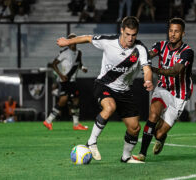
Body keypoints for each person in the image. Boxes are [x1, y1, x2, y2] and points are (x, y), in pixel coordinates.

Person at [56, 16, 154, 163]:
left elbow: (146, 68)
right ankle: (91, 142)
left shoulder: (140, 49)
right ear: (122, 31)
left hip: (125, 91)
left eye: (134, 35)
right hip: (104, 85)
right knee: (109, 107)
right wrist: (68, 41)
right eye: (127, 34)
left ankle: (126, 157)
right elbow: (88, 38)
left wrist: (148, 80)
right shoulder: (108, 41)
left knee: (134, 128)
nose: (130, 38)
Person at [133, 18, 194, 162]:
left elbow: (174, 71)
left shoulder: (187, 52)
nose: (172, 34)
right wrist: (135, 57)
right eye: (170, 31)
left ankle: (161, 138)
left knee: (159, 133)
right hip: (163, 88)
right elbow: (147, 55)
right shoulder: (160, 45)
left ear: (183, 33)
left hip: (180, 94)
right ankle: (142, 154)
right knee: (153, 115)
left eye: (176, 31)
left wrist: (152, 69)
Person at [43, 33, 89, 131]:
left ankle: (48, 121)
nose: (73, 42)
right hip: (66, 81)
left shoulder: (78, 53)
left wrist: (83, 68)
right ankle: (75, 124)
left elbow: (79, 64)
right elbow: (53, 64)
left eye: (74, 40)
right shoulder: (65, 53)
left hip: (72, 81)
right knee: (74, 101)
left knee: (63, 101)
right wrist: (61, 75)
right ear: (68, 42)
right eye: (71, 40)